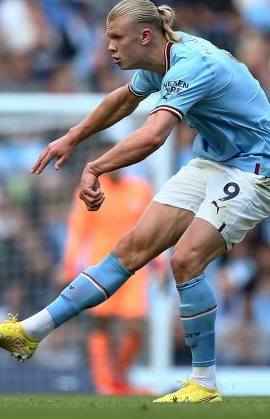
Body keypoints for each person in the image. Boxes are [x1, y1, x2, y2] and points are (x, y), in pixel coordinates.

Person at [0, 0, 270, 403]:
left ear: (145, 35)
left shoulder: (191, 65)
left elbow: (154, 135)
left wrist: (95, 167)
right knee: (130, 249)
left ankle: (204, 383)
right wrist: (73, 136)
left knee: (185, 260)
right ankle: (31, 333)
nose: (109, 47)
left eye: (116, 38)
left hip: (256, 169)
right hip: (214, 161)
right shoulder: (162, 62)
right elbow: (123, 101)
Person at [61, 154, 157, 395]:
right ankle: (105, 383)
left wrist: (160, 261)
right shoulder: (89, 192)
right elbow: (78, 230)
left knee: (135, 325)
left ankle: (118, 376)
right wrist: (69, 266)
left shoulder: (141, 189)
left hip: (135, 268)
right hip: (101, 268)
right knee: (101, 324)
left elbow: (154, 228)